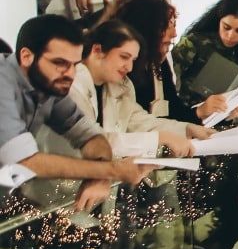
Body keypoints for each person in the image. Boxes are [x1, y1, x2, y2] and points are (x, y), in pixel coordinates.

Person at [3, 15, 153, 210]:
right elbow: (26, 161)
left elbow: (89, 135)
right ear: (26, 57)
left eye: (74, 64)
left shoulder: (49, 83)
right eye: (60, 62)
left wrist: (101, 173)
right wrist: (112, 170)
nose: (70, 74)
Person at [70, 19, 210, 157]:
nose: (129, 67)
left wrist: (186, 129)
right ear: (97, 50)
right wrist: (157, 139)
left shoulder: (120, 86)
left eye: (133, 60)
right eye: (124, 57)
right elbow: (93, 142)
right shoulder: (72, 86)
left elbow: (140, 121)